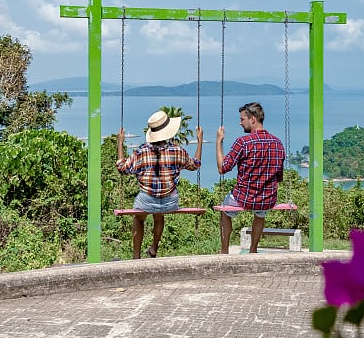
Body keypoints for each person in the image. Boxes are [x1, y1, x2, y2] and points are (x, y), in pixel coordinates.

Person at [117, 110, 203, 259]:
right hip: (170, 201)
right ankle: (154, 248)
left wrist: (120, 143)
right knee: (159, 216)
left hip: (146, 200)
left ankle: (136, 255)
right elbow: (195, 165)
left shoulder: (142, 151)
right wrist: (200, 142)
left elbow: (122, 168)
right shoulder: (177, 151)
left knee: (139, 218)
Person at [216, 101, 285, 254]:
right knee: (260, 213)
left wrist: (219, 142)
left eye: (242, 119)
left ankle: (224, 250)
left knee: (225, 211)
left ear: (252, 119)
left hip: (243, 197)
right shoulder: (278, 143)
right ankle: (253, 250)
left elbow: (223, 168)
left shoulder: (243, 143)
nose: (240, 123)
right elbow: (279, 176)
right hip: (267, 198)